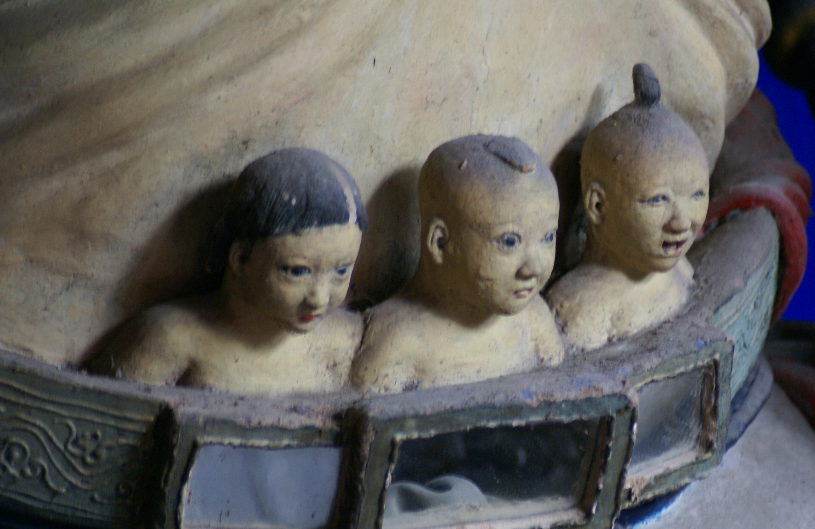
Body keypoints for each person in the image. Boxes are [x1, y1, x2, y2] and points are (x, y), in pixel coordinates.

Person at [88, 148, 366, 394]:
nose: (319, 298)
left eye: (341, 271)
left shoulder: (345, 344)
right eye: (297, 272)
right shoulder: (168, 340)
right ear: (241, 259)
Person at [350, 135, 564, 393]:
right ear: (441, 243)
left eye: (547, 237)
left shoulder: (534, 323)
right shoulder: (400, 345)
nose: (533, 269)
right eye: (509, 242)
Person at [545, 64, 710, 351]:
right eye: (657, 200)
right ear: (598, 205)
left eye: (697, 195)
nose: (682, 223)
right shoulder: (582, 310)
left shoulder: (680, 272)